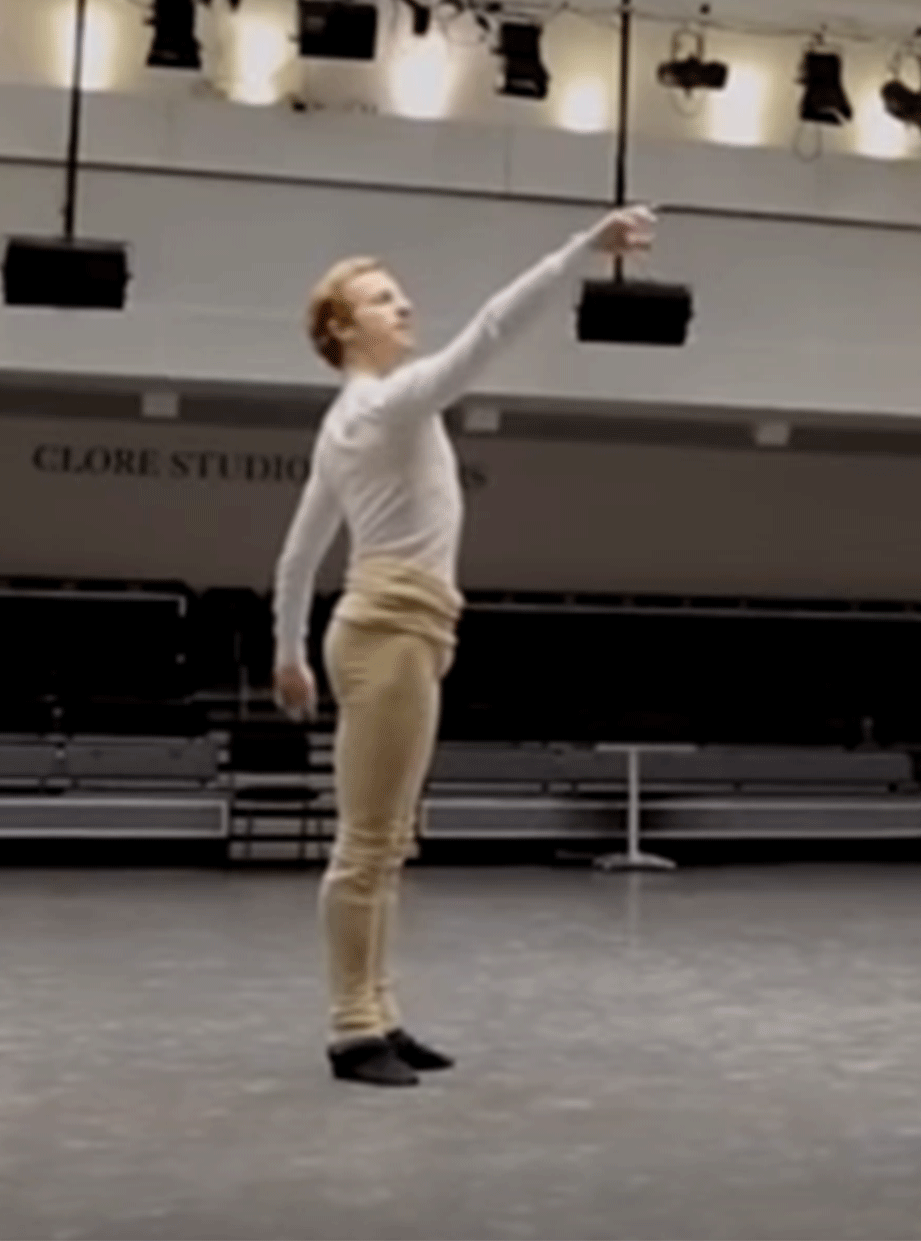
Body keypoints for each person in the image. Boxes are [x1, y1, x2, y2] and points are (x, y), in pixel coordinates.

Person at [271, 203, 658, 1087]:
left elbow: (298, 556)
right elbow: (489, 332)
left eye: (400, 294)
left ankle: (380, 1010)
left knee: (388, 840)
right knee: (369, 844)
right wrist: (577, 252)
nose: (403, 307)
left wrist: (289, 651)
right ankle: (351, 1027)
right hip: (391, 629)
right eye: (380, 299)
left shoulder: (348, 421)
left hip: (401, 629)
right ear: (340, 328)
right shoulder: (385, 406)